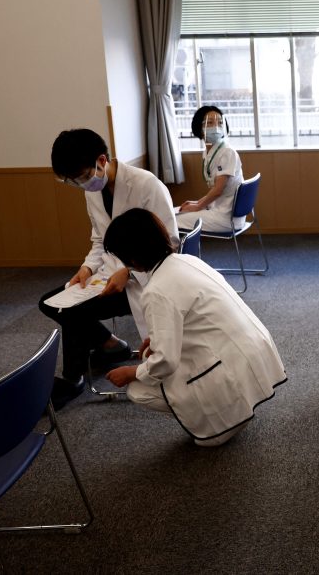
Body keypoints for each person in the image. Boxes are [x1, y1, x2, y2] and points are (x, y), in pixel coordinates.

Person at [103, 209, 286, 446]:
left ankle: (225, 420)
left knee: (137, 390)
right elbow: (197, 320)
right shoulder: (188, 260)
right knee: (152, 357)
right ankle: (238, 406)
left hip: (230, 367)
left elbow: (166, 362)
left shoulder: (156, 291)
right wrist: (156, 342)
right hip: (253, 354)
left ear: (132, 259)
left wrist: (132, 372)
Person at [38, 129, 179, 410]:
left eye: (81, 177)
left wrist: (128, 272)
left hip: (145, 280)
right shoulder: (94, 190)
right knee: (51, 303)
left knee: (74, 312)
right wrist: (87, 268)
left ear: (102, 161)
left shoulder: (147, 185)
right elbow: (100, 239)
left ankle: (73, 378)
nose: (81, 185)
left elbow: (171, 245)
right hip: (108, 275)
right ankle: (110, 343)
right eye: (73, 181)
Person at [175, 105, 244, 233]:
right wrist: (197, 202)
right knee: (175, 212)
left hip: (226, 217)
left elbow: (218, 190)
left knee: (172, 220)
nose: (216, 127)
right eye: (210, 122)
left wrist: (198, 206)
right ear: (200, 128)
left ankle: (177, 253)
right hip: (218, 208)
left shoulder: (227, 152)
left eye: (220, 122)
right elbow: (215, 189)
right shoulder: (208, 152)